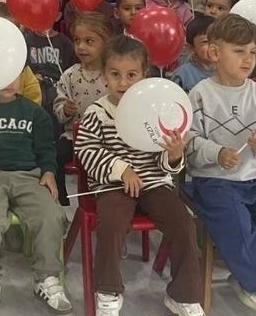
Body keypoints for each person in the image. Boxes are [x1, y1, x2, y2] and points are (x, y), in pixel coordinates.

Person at [75, 36, 204, 316]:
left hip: (154, 183)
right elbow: (86, 150)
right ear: (104, 75)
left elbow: (170, 166)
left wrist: (173, 155)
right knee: (111, 223)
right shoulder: (97, 113)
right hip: (113, 185)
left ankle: (183, 295)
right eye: (115, 74)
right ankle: (108, 290)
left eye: (131, 75)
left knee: (184, 223)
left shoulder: (157, 112)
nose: (123, 83)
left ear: (144, 75)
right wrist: (121, 170)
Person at [184, 14, 256, 316]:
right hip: (214, 180)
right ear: (216, 53)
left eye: (251, 51)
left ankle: (252, 281)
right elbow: (189, 140)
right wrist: (217, 153)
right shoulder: (200, 95)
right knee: (235, 221)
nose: (248, 59)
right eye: (239, 51)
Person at [0, 75, 72, 314]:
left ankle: (47, 278)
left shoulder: (34, 112)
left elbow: (46, 149)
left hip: (29, 175)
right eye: (2, 76)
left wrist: (49, 171)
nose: (8, 82)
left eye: (15, 76)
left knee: (50, 215)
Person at [53, 12, 112, 204]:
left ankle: (107, 196)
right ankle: (61, 196)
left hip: (107, 137)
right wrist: (66, 110)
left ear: (105, 42)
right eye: (77, 41)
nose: (81, 47)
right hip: (74, 137)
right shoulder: (69, 76)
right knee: (56, 154)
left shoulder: (112, 75)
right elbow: (59, 110)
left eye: (89, 41)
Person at [173, 15, 215, 92]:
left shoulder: (228, 70)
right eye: (205, 42)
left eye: (216, 40)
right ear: (191, 47)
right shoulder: (183, 74)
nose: (213, 46)